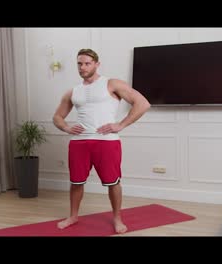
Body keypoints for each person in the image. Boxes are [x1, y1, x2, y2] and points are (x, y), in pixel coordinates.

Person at [52, 48, 151, 234]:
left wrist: (120, 125)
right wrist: (66, 127)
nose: (83, 67)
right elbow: (57, 116)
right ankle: (73, 216)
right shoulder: (73, 91)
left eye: (87, 63)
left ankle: (117, 218)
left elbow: (142, 103)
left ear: (97, 64)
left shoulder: (111, 84)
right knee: (76, 182)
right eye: (79, 64)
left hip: (106, 142)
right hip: (79, 143)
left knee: (113, 182)